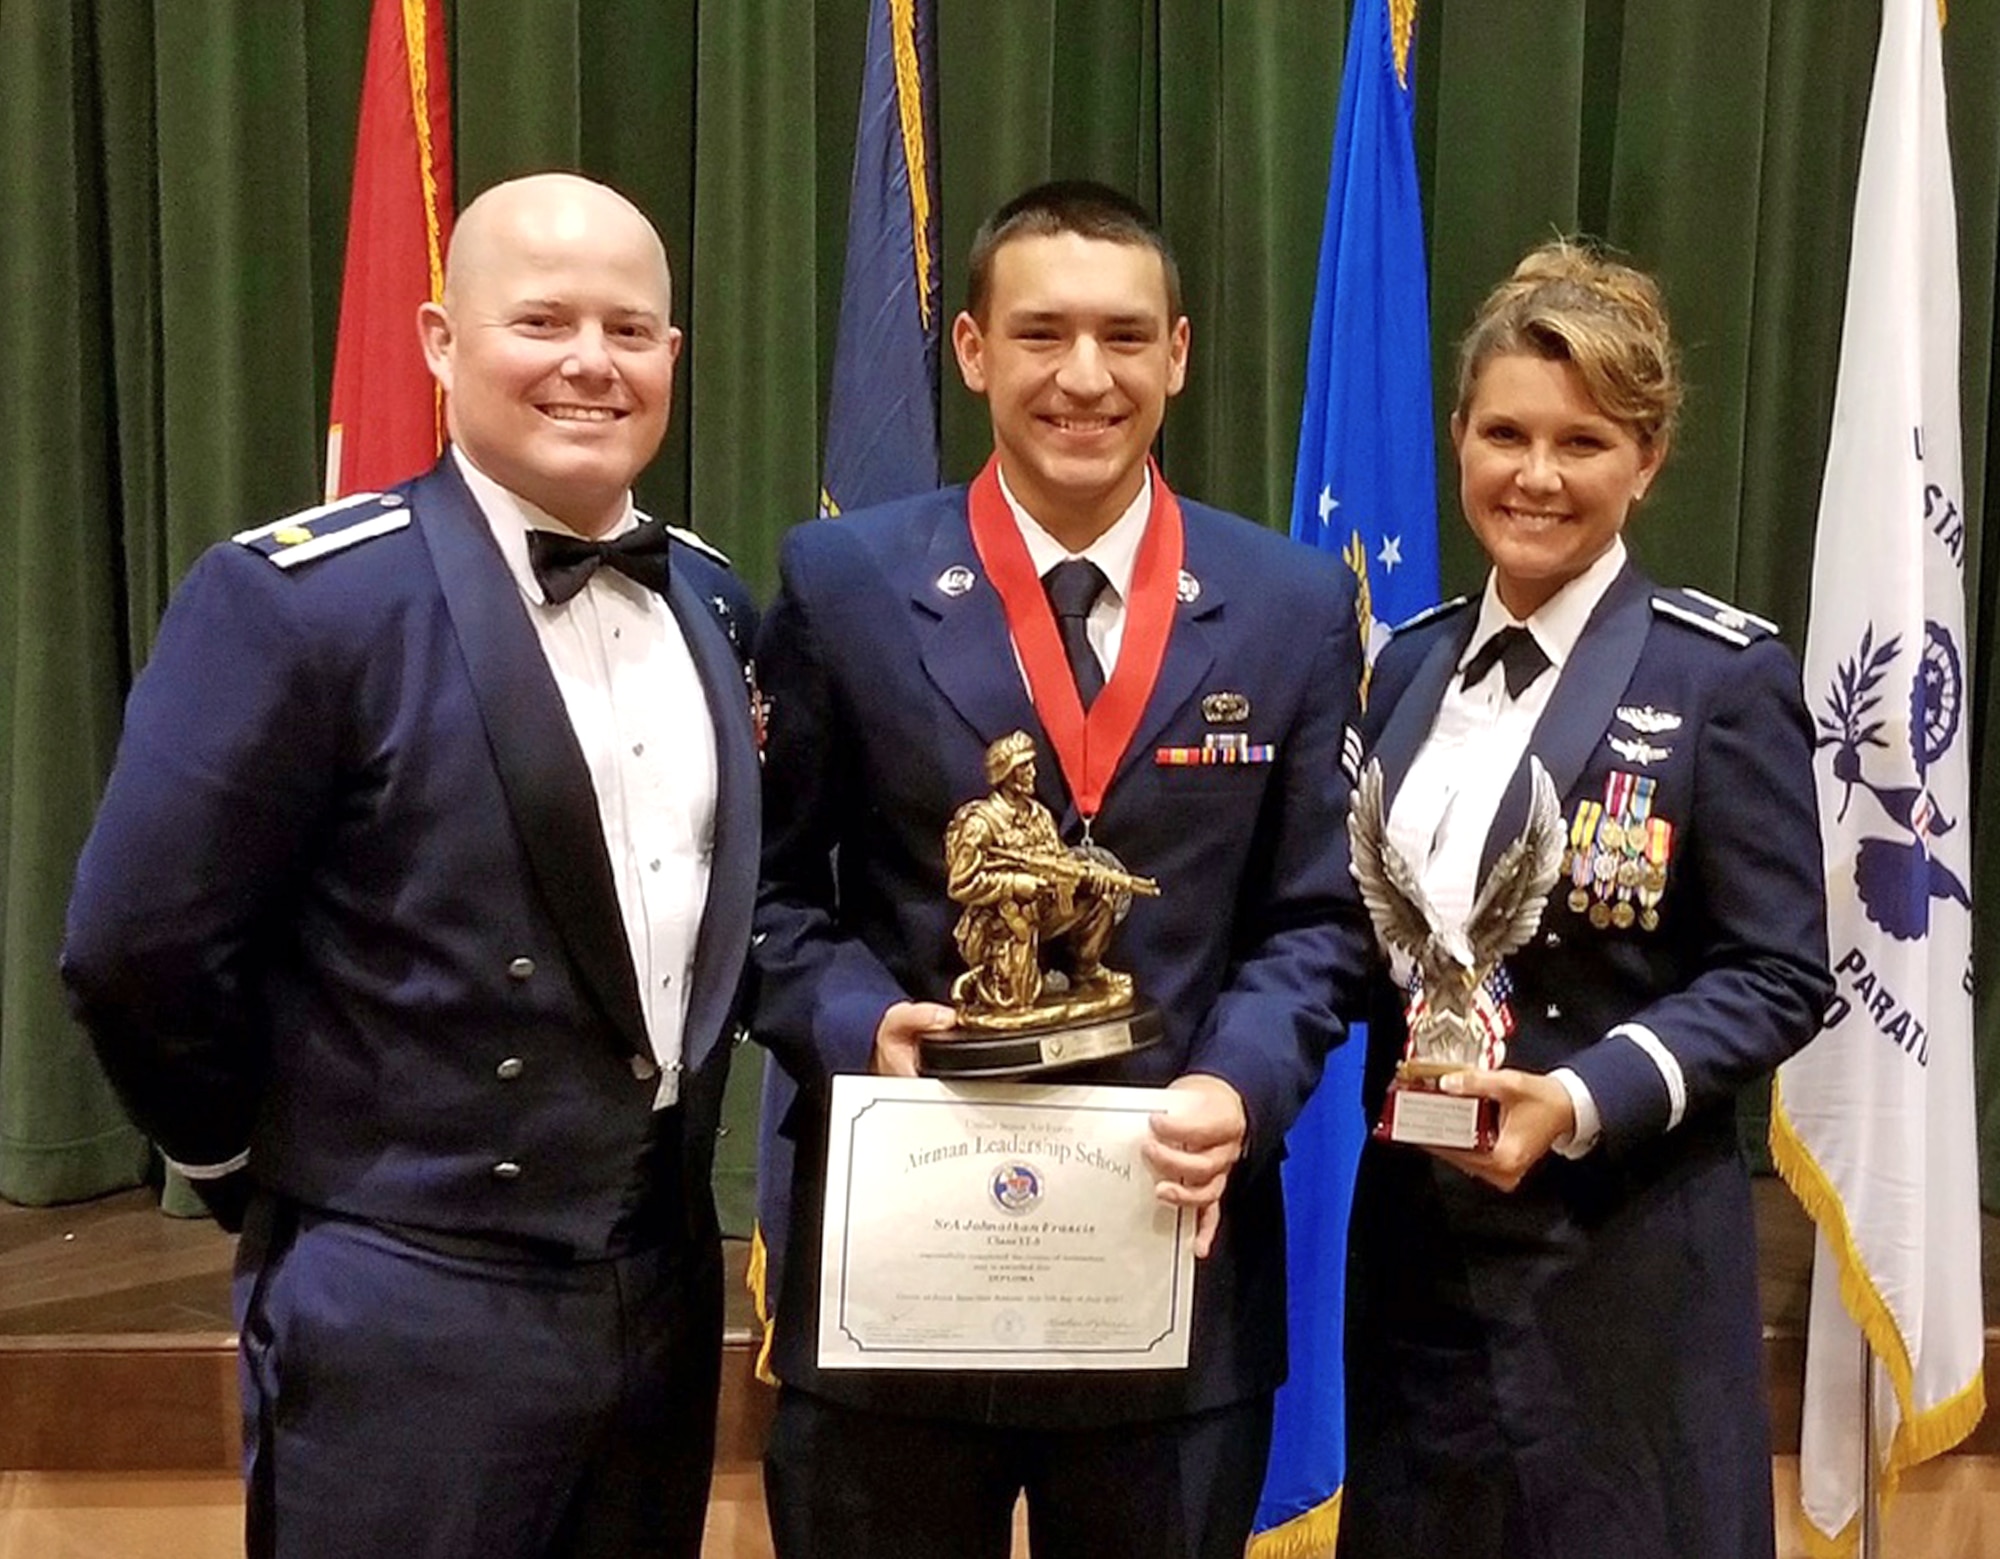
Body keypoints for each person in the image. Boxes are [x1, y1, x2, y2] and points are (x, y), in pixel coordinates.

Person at [62, 173, 759, 1559]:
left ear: (674, 358)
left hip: (663, 1283)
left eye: (629, 329)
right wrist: (260, 1168)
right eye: (541, 319)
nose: (589, 361)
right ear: (441, 340)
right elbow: (136, 943)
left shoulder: (715, 597)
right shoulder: (299, 602)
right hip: (410, 1295)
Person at [751, 179, 1372, 1559]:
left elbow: (1321, 919)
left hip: (1169, 1263)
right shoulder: (843, 581)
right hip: (898, 1278)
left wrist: (1240, 1079)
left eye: (1124, 335)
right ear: (973, 350)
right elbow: (769, 898)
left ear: (1181, 353)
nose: (1085, 376)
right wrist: (864, 1027)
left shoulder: (1289, 602)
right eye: (1041, 334)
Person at [1338, 240, 1834, 1559]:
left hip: (1615, 1258)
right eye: (1505, 432)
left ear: (1648, 456)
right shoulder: (1409, 667)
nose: (1537, 475)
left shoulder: (1722, 679)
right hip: (1414, 1249)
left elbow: (1782, 970)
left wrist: (1581, 1095)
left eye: (1585, 441)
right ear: (1459, 437)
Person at [944, 731, 1125, 1019]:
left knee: (1099, 903)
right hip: (1002, 920)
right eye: (1023, 767)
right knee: (1015, 1003)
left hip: (1043, 906)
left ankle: (1087, 972)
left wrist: (1089, 874)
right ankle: (992, 979)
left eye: (1031, 765)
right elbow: (962, 883)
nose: (1032, 773)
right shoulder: (981, 823)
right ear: (1005, 774)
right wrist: (1015, 884)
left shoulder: (1039, 815)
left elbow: (1060, 858)